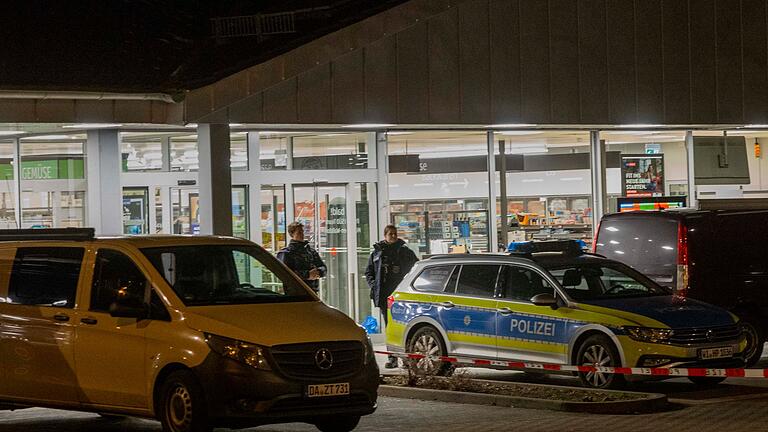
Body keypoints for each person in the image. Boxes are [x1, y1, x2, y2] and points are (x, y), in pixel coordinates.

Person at [365, 225, 418, 368]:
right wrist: (374, 285)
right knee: (390, 328)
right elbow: (369, 272)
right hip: (385, 297)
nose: (393, 236)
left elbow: (416, 268)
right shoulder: (377, 253)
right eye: (390, 234)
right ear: (385, 235)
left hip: (402, 296)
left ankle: (407, 359)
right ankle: (392, 358)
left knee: (405, 327)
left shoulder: (405, 251)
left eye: (395, 234)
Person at [276, 222, 326, 293]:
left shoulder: (311, 251)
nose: (302, 234)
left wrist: (318, 272)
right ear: (292, 234)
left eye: (302, 231)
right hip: (295, 293)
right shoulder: (286, 253)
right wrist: (308, 275)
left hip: (313, 292)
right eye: (299, 232)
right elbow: (285, 274)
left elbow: (323, 267)